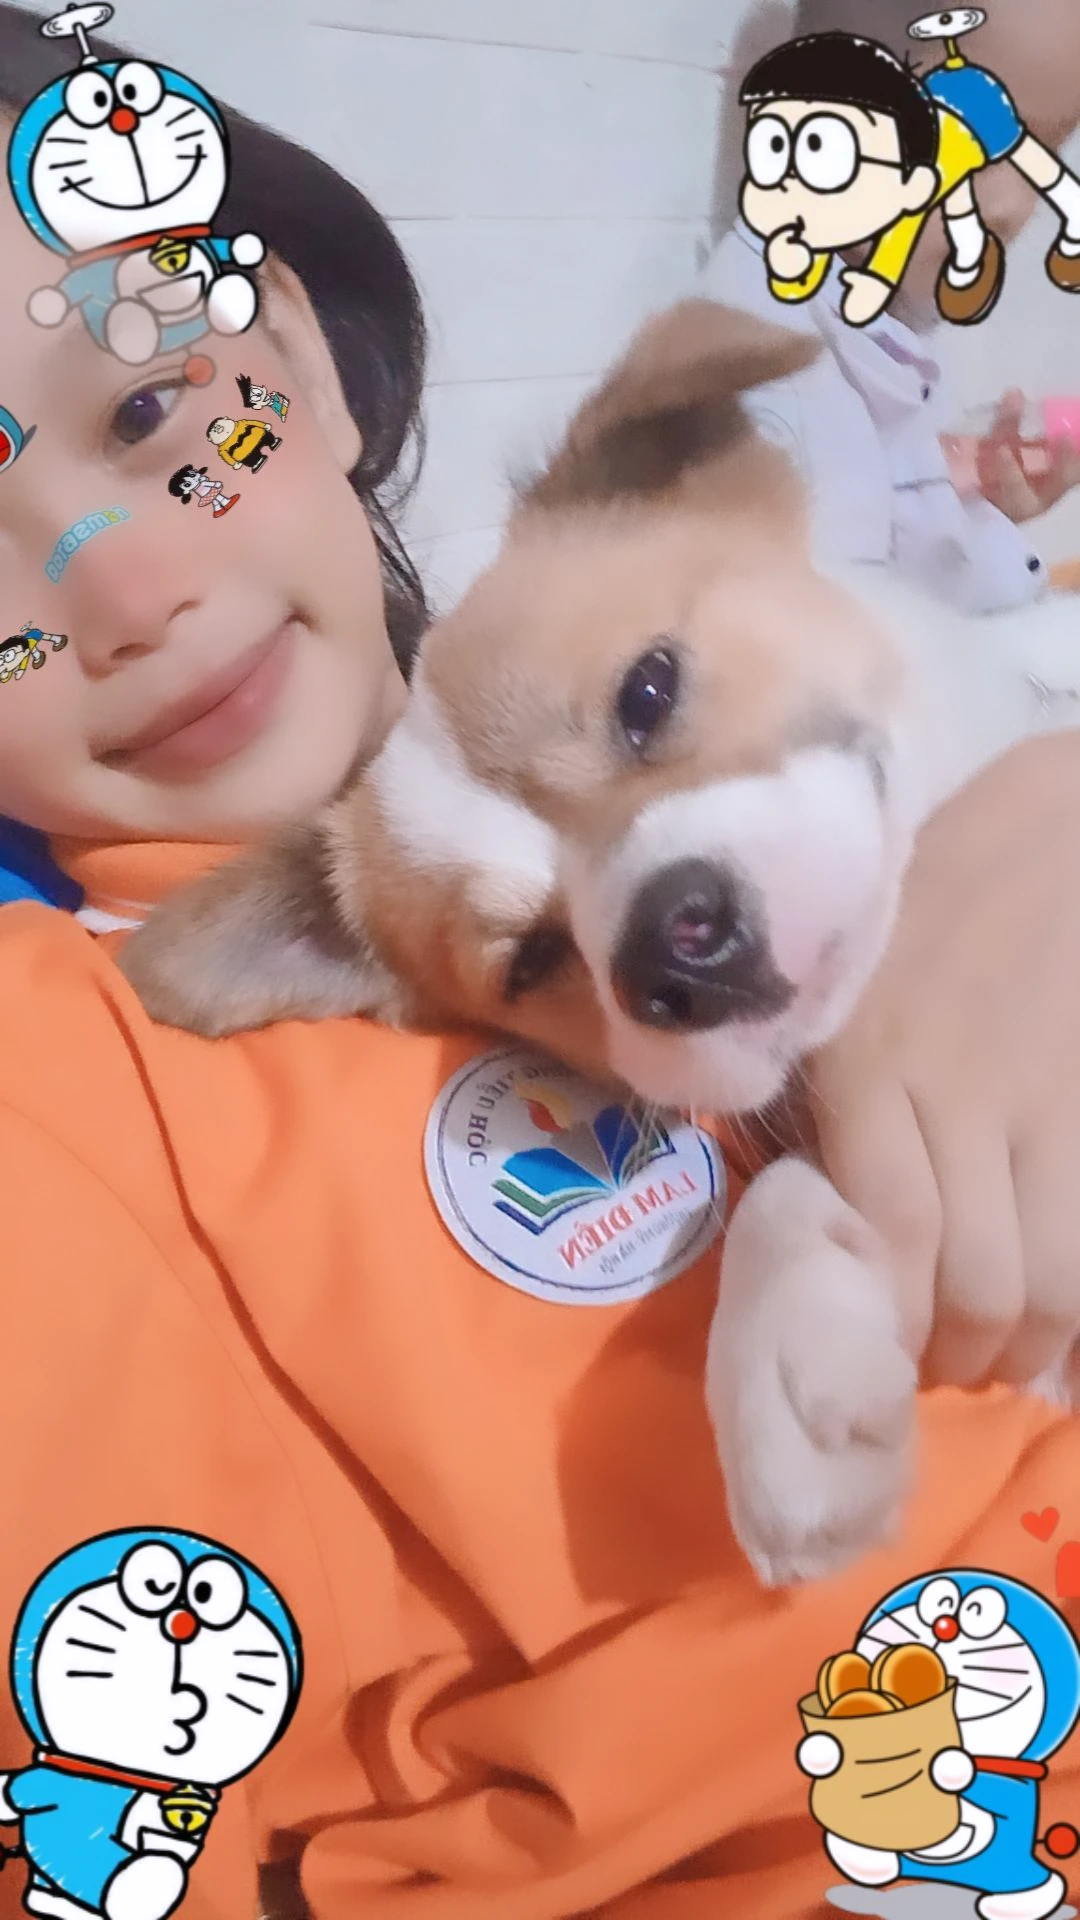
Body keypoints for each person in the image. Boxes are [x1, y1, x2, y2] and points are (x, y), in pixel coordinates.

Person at [1, 7, 1080, 1920]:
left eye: (153, 415)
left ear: (297, 356)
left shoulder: (627, 577)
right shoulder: (69, 1076)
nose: (131, 589)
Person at [701, 0, 1080, 618]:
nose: (1012, 208)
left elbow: (915, 575)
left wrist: (978, 508)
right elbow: (850, 635)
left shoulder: (881, 320)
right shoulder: (775, 364)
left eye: (1047, 152)